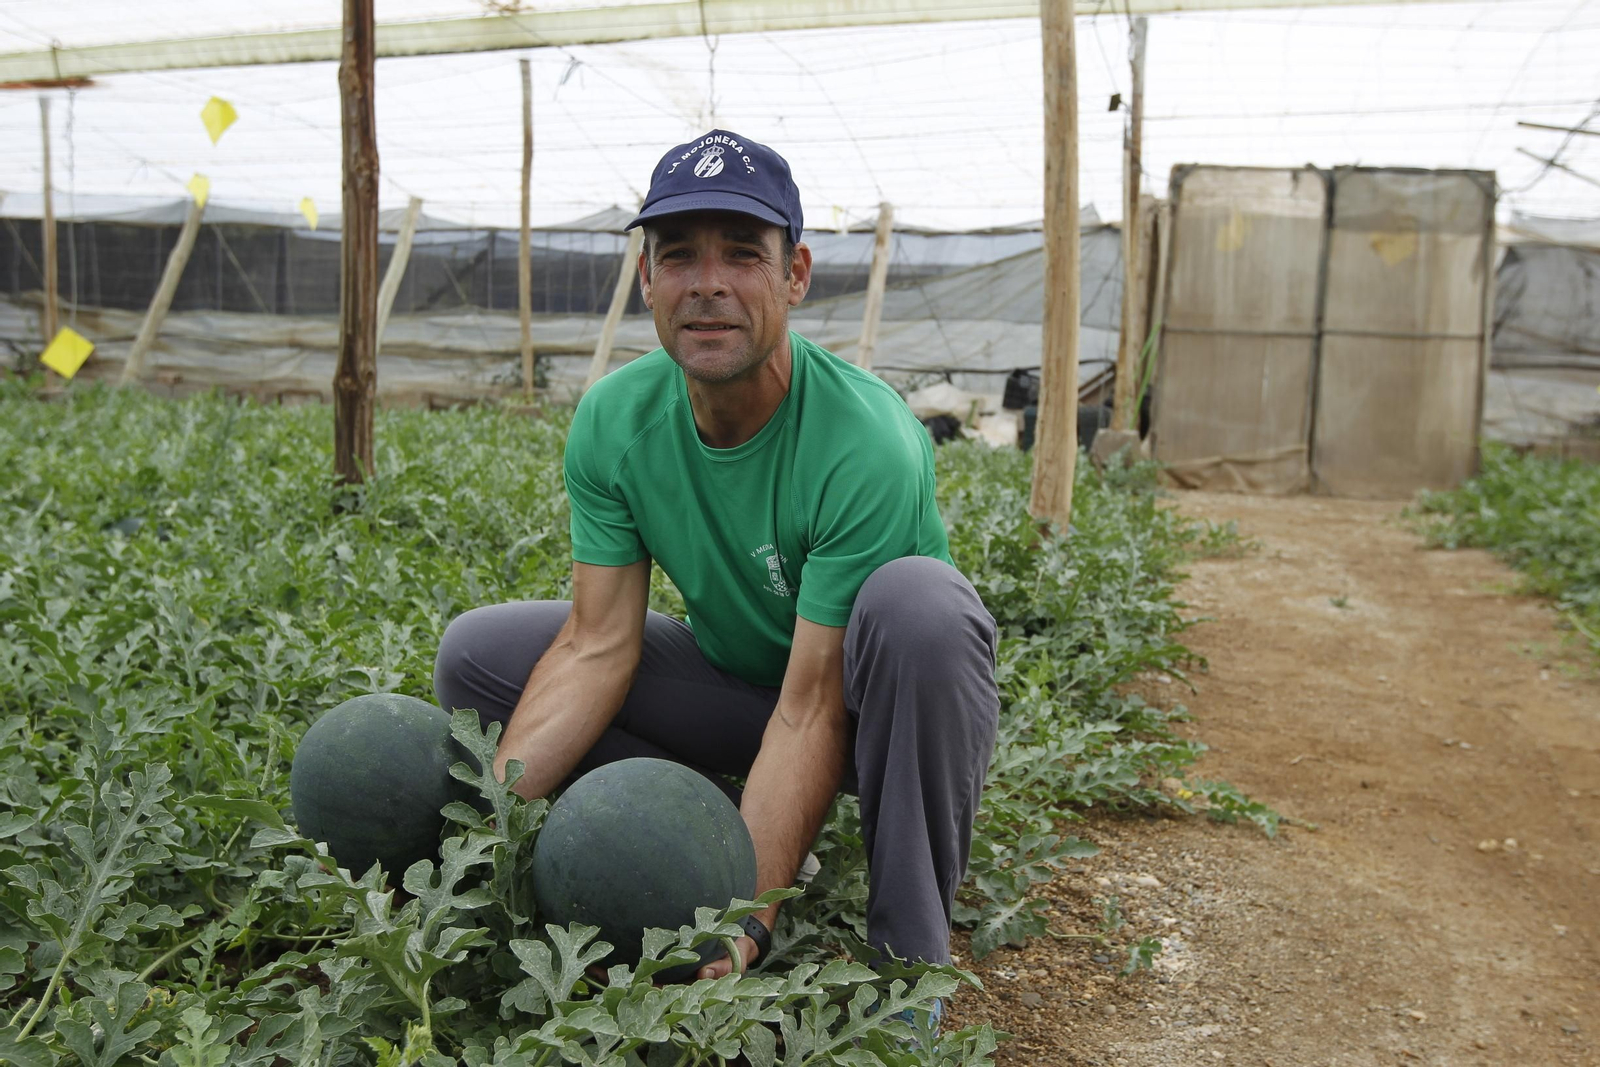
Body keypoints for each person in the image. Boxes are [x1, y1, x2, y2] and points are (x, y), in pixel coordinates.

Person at [432, 130, 1000, 983]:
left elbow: (812, 708)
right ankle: (705, 833)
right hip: (739, 692)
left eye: (743, 255)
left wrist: (740, 919)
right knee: (480, 657)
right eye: (679, 256)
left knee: (922, 608)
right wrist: (477, 846)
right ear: (646, 279)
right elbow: (596, 646)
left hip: (869, 716)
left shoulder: (866, 438)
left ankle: (908, 965)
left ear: (796, 274)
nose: (708, 284)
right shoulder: (614, 420)